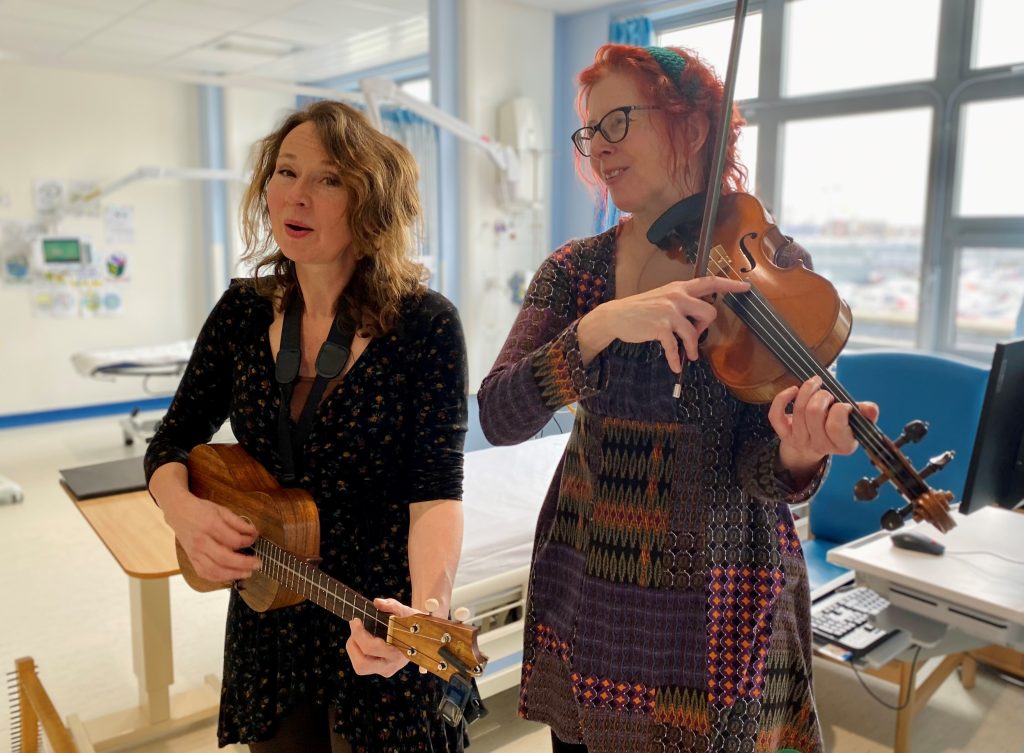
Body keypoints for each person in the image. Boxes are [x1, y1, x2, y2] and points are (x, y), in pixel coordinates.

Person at [478, 44, 879, 753]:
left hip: (721, 607)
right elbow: (500, 415)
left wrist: (796, 448)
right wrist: (598, 328)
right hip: (593, 593)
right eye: (588, 132)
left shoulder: (773, 268)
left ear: (692, 126)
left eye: (617, 123)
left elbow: (766, 473)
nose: (598, 149)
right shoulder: (574, 272)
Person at [145, 100, 469, 753]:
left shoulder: (425, 326)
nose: (298, 195)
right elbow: (171, 442)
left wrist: (428, 611)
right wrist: (181, 509)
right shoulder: (241, 312)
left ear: (369, 201)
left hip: (376, 623)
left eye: (328, 179)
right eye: (286, 172)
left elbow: (435, 494)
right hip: (269, 617)